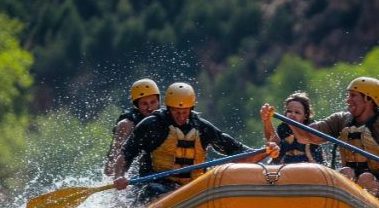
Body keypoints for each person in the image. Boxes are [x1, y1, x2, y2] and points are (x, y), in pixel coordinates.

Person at [261, 77, 379, 208]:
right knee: (345, 172)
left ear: (368, 98)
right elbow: (306, 136)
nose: (348, 100)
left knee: (365, 178)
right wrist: (283, 118)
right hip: (354, 184)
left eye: (353, 96)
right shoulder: (341, 120)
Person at [113, 82, 278, 201]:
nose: (180, 116)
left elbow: (241, 154)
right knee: (153, 190)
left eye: (184, 111)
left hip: (192, 189)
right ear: (168, 108)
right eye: (176, 112)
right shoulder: (151, 125)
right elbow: (125, 155)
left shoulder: (201, 127)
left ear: (191, 108)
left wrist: (266, 151)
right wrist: (119, 175)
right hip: (156, 185)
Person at [104, 78, 161, 176]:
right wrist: (118, 177)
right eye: (144, 103)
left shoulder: (165, 116)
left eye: (153, 102)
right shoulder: (126, 124)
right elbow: (110, 168)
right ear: (137, 105)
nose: (150, 108)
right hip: (135, 173)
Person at [260, 91, 325, 165]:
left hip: (313, 166)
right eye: (289, 111)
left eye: (297, 112)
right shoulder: (283, 128)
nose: (292, 114)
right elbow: (274, 142)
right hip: (288, 167)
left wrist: (292, 124)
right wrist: (267, 120)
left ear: (305, 116)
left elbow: (303, 138)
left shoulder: (312, 127)